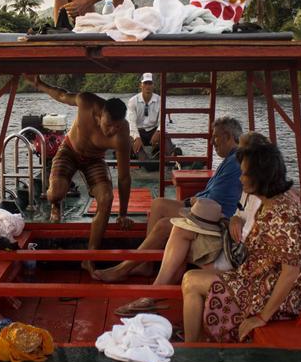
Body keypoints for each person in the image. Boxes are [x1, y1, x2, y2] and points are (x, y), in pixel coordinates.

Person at [111, 133, 268, 316]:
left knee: (168, 228)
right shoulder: (249, 188)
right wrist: (236, 219)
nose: (240, 176)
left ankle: (149, 290)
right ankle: (153, 292)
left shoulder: (269, 200)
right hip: (226, 236)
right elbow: (240, 211)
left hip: (234, 254)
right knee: (179, 228)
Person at [182, 138, 301, 343]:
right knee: (192, 276)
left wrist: (261, 317)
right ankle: (197, 340)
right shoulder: (271, 201)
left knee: (191, 280)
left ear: (261, 176)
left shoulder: (284, 215)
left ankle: (193, 348)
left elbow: (291, 272)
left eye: (244, 174)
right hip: (258, 277)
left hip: (270, 293)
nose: (240, 179)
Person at [94, 117, 244, 283]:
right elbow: (213, 194)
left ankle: (123, 268)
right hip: (207, 210)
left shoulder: (233, 163)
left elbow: (215, 199)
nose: (211, 142)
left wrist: (190, 201)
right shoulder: (231, 159)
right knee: (159, 204)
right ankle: (145, 264)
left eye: (215, 137)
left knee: (163, 225)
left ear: (229, 137)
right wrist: (191, 201)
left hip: (215, 219)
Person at [23, 74, 133, 274]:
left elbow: (124, 177)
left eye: (117, 126)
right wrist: (40, 84)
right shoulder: (86, 102)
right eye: (109, 125)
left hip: (94, 160)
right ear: (99, 115)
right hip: (70, 150)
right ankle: (55, 205)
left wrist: (123, 213)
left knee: (106, 198)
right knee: (55, 192)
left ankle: (90, 257)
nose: (112, 130)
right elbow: (62, 95)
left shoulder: (121, 136)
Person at [126, 73, 174, 160]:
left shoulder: (160, 100)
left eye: (150, 83)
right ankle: (143, 157)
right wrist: (136, 137)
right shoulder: (133, 101)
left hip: (153, 131)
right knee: (143, 159)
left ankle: (170, 154)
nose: (148, 86)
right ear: (141, 85)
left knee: (165, 139)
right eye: (145, 83)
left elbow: (163, 120)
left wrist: (159, 132)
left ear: (153, 85)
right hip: (138, 131)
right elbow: (131, 122)